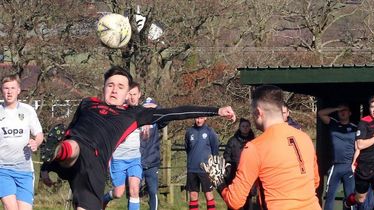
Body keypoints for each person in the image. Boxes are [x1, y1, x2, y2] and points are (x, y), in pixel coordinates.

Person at [39, 66, 236, 210]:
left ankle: (60, 152)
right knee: (72, 143)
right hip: (71, 151)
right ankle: (58, 152)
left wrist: (216, 111)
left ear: (127, 93)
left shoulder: (133, 114)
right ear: (103, 88)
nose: (114, 89)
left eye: (120, 86)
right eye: (110, 85)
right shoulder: (87, 103)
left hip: (94, 163)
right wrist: (46, 167)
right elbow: (68, 131)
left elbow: (174, 112)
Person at [202, 85, 321, 210]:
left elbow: (235, 201)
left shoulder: (255, 147)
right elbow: (315, 182)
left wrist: (219, 182)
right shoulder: (305, 138)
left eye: (253, 113)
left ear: (259, 112)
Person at [0, 74, 44, 210]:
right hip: (3, 169)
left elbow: (39, 134)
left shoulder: (28, 110)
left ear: (18, 90)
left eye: (13, 88)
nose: (9, 91)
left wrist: (36, 142)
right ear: (2, 90)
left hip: (24, 170)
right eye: (6, 88)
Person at [318, 104, 374, 210]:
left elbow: (361, 145)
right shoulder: (333, 124)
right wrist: (336, 108)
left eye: (345, 110)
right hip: (336, 166)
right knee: (329, 196)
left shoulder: (355, 127)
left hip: (349, 166)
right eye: (340, 111)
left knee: (350, 197)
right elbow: (321, 113)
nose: (342, 112)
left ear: (350, 113)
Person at [102, 83, 146, 210]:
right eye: (130, 94)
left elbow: (153, 109)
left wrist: (147, 128)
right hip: (118, 159)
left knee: (134, 190)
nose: (132, 97)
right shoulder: (118, 112)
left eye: (134, 94)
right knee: (118, 193)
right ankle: (104, 199)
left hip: (135, 158)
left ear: (139, 95)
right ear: (126, 95)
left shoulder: (142, 112)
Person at [185, 117, 219, 210]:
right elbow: (188, 149)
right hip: (192, 169)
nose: (198, 120)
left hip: (205, 169)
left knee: (208, 194)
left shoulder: (210, 131)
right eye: (196, 118)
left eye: (201, 118)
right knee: (193, 195)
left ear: (205, 118)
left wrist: (213, 166)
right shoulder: (189, 132)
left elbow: (215, 150)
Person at [223, 118, 256, 210]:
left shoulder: (254, 141)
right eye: (243, 126)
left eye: (247, 126)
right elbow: (226, 155)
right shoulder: (232, 141)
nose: (245, 128)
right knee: (234, 201)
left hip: (249, 175)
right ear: (239, 127)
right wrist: (229, 168)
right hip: (234, 174)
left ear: (250, 127)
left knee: (248, 201)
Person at [140, 97, 164, 210]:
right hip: (137, 162)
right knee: (133, 192)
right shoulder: (137, 120)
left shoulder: (156, 122)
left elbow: (166, 117)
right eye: (146, 107)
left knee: (153, 191)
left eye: (151, 108)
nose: (148, 110)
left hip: (152, 163)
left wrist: (157, 107)